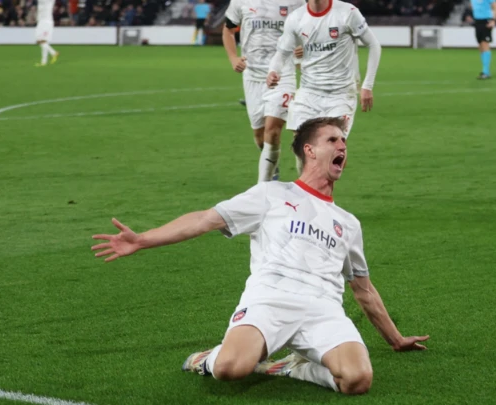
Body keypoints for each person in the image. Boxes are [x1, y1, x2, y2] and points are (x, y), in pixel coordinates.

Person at [91, 117, 429, 395]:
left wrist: (395, 339)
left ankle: (296, 367)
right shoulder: (272, 194)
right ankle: (207, 359)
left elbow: (363, 289)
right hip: (270, 298)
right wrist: (143, 240)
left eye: (344, 142)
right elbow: (204, 219)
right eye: (333, 140)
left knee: (357, 380)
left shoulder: (349, 224)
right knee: (229, 369)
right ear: (309, 150)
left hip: (324, 309)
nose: (343, 146)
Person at [266, 0, 381, 150]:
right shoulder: (296, 18)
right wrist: (273, 71)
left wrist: (367, 85)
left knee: (331, 150)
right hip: (308, 93)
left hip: (340, 94)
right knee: (303, 148)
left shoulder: (347, 12)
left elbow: (373, 44)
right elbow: (282, 53)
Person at [222, 0, 305, 183]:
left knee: (273, 130)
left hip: (282, 74)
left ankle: (270, 184)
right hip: (252, 76)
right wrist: (233, 58)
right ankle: (272, 166)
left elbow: (311, 29)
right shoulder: (240, 2)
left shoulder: (297, 3)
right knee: (260, 135)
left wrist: (303, 47)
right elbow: (228, 29)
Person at [469, 0, 496, 79]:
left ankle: (485, 71)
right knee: (480, 46)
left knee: (484, 43)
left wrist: (494, 20)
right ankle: (486, 71)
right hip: (477, 21)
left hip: (486, 21)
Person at [35, 0, 59, 67]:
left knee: (39, 40)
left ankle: (53, 53)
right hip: (42, 21)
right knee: (43, 41)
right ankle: (44, 62)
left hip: (46, 22)